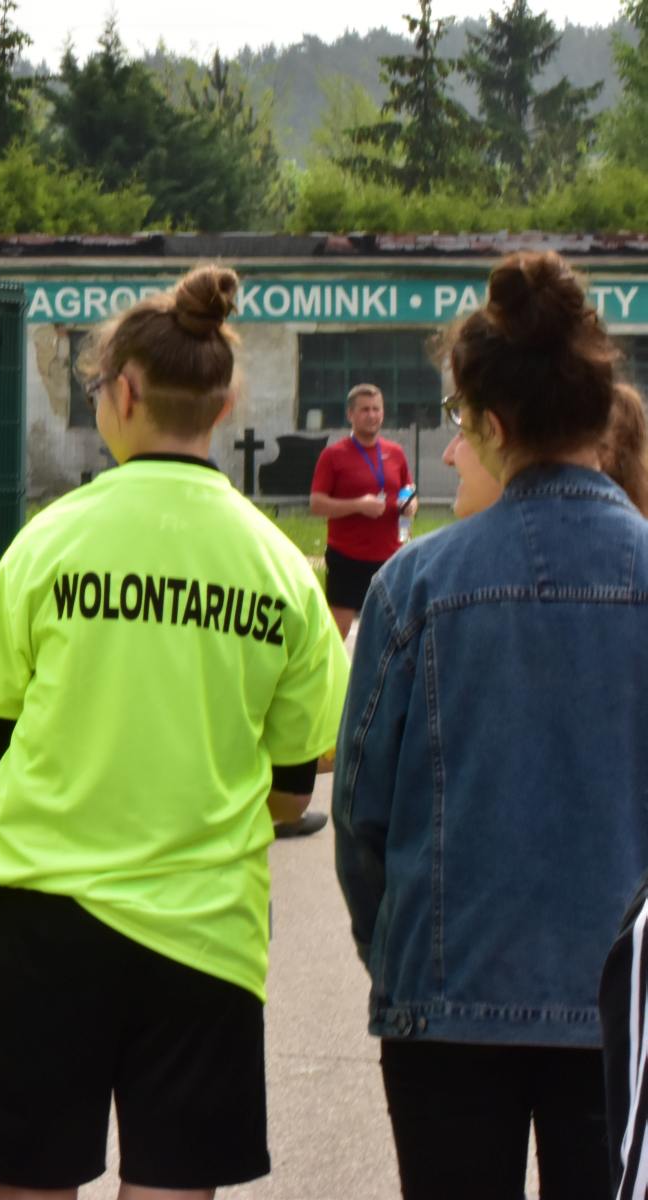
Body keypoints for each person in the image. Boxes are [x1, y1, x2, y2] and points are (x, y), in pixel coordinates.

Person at [0, 264, 348, 1200]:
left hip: (47, 913)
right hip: (205, 924)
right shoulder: (279, 566)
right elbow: (296, 785)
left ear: (123, 394)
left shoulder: (51, 541)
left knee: (30, 1184)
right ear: (225, 404)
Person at [333, 250, 648, 1200]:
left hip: (447, 998)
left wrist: (395, 952)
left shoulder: (414, 586)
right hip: (628, 1005)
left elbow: (361, 816)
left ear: (495, 427)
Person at [308, 384, 418, 640]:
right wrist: (358, 505)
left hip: (390, 558)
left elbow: (408, 491)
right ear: (351, 415)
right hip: (348, 557)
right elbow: (316, 504)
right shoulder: (333, 455)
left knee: (392, 630)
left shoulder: (395, 452)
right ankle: (330, 668)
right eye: (365, 410)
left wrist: (410, 505)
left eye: (376, 409)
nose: (372, 415)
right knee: (337, 631)